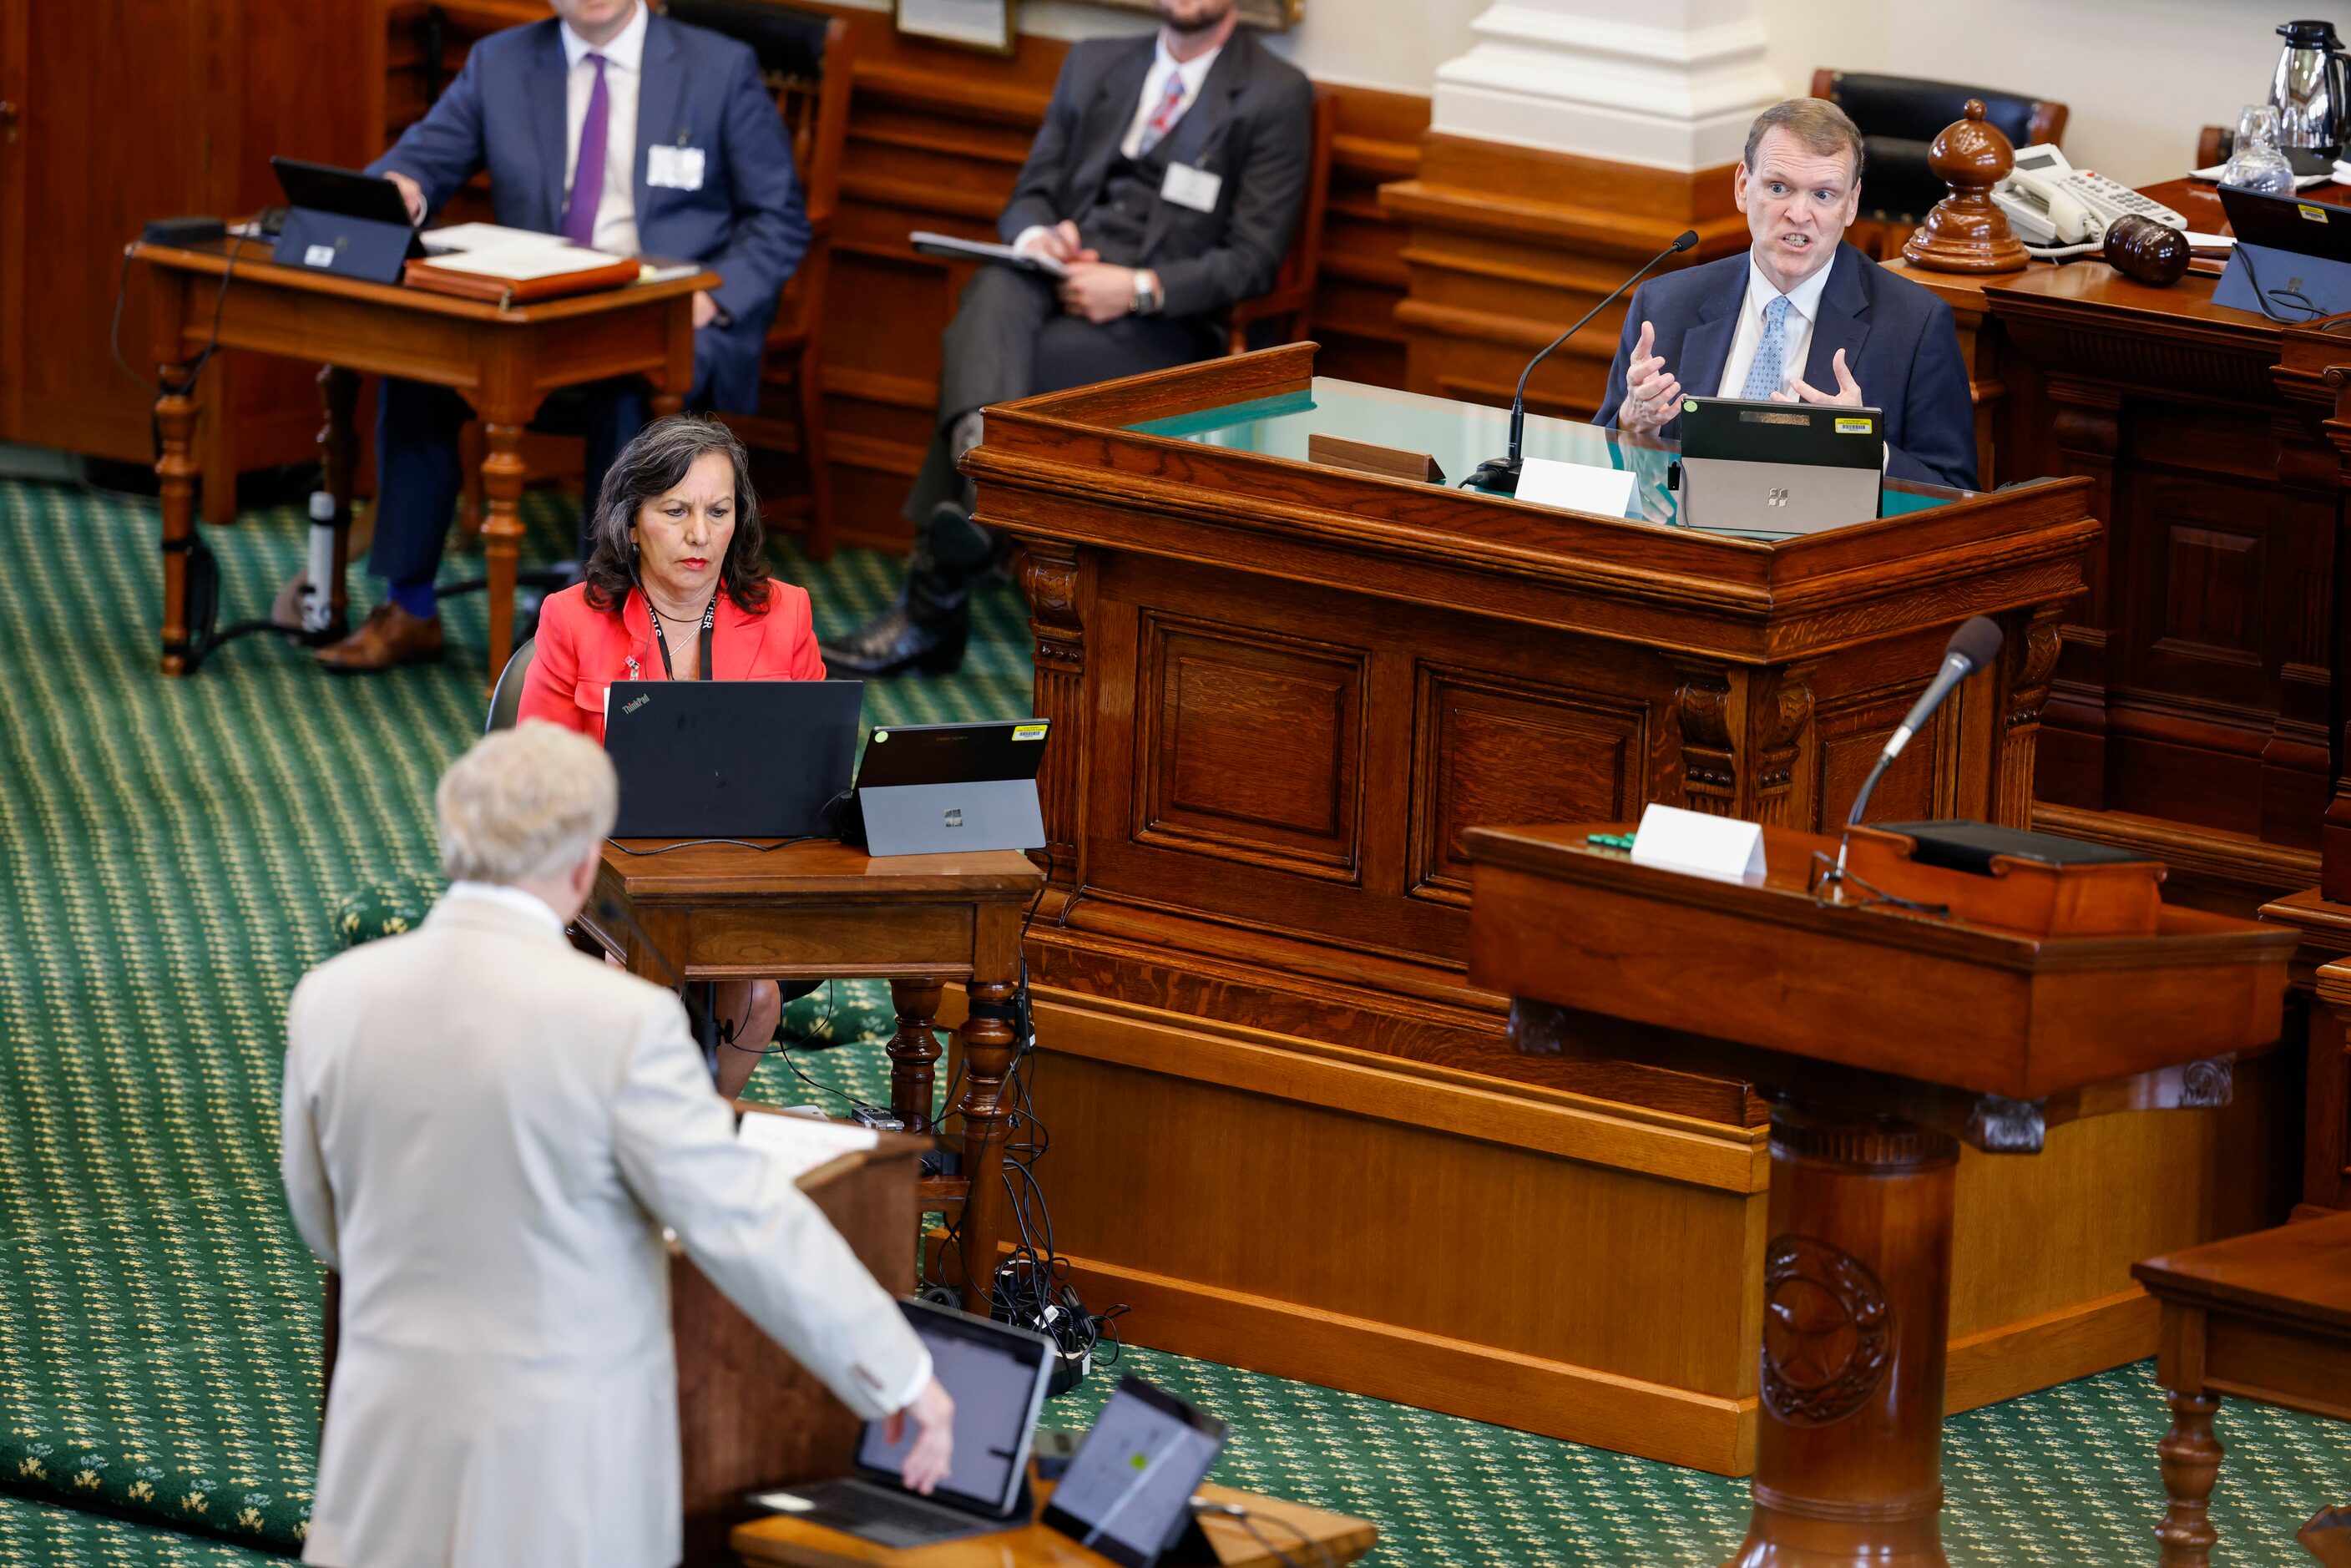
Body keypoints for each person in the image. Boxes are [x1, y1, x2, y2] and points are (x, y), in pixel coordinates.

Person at [281, 724, 954, 1568]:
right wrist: (898, 1373)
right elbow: (741, 1224)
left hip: (385, 1438)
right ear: (582, 864)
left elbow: (322, 1220)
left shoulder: (332, 999)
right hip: (559, 1469)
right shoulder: (619, 1025)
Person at [311, 0, 809, 673]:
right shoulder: (502, 62)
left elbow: (777, 221)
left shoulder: (717, 69)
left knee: (629, 400)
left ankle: (602, 618)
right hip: (542, 321)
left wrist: (709, 298)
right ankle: (410, 606)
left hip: (667, 322)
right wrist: (403, 187)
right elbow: (417, 164)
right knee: (422, 366)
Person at [822, 0, 1315, 680]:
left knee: (999, 360)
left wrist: (1138, 286)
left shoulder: (1274, 93)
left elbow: (1253, 258)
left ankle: (933, 602)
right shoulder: (1093, 63)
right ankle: (980, 469)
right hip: (1049, 288)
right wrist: (1037, 238)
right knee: (992, 288)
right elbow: (1029, 196)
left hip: (1162, 325)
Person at [521, 414, 822, 1098]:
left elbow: (816, 773)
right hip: (603, 878)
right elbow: (531, 783)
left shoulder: (786, 615)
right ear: (632, 523)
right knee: (637, 1003)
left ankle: (696, 1147)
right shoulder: (574, 619)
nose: (699, 536)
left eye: (719, 512)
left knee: (759, 999)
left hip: (736, 874)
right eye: (676, 511)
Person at [1594, 98, 1979, 492]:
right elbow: (1602, 467)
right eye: (1779, 188)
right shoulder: (1665, 304)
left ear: (1852, 203)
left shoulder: (1915, 325)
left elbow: (1956, 494)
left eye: (1824, 195)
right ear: (1744, 187)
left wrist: (1867, 450)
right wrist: (1633, 421)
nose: (1799, 213)